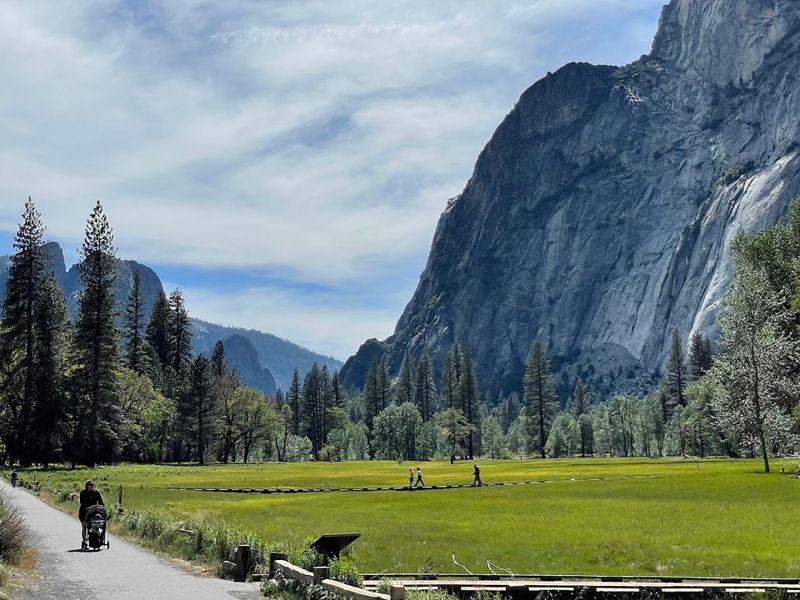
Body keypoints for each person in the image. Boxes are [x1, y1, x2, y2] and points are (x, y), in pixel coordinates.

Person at [79, 480, 104, 548]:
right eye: (89, 486)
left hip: (93, 512)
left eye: (92, 486)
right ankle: (84, 541)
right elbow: (82, 503)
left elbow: (101, 502)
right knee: (85, 527)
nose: (91, 487)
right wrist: (87, 508)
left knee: (95, 524)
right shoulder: (83, 493)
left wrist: (101, 508)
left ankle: (96, 538)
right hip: (84, 512)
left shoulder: (96, 493)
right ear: (86, 486)